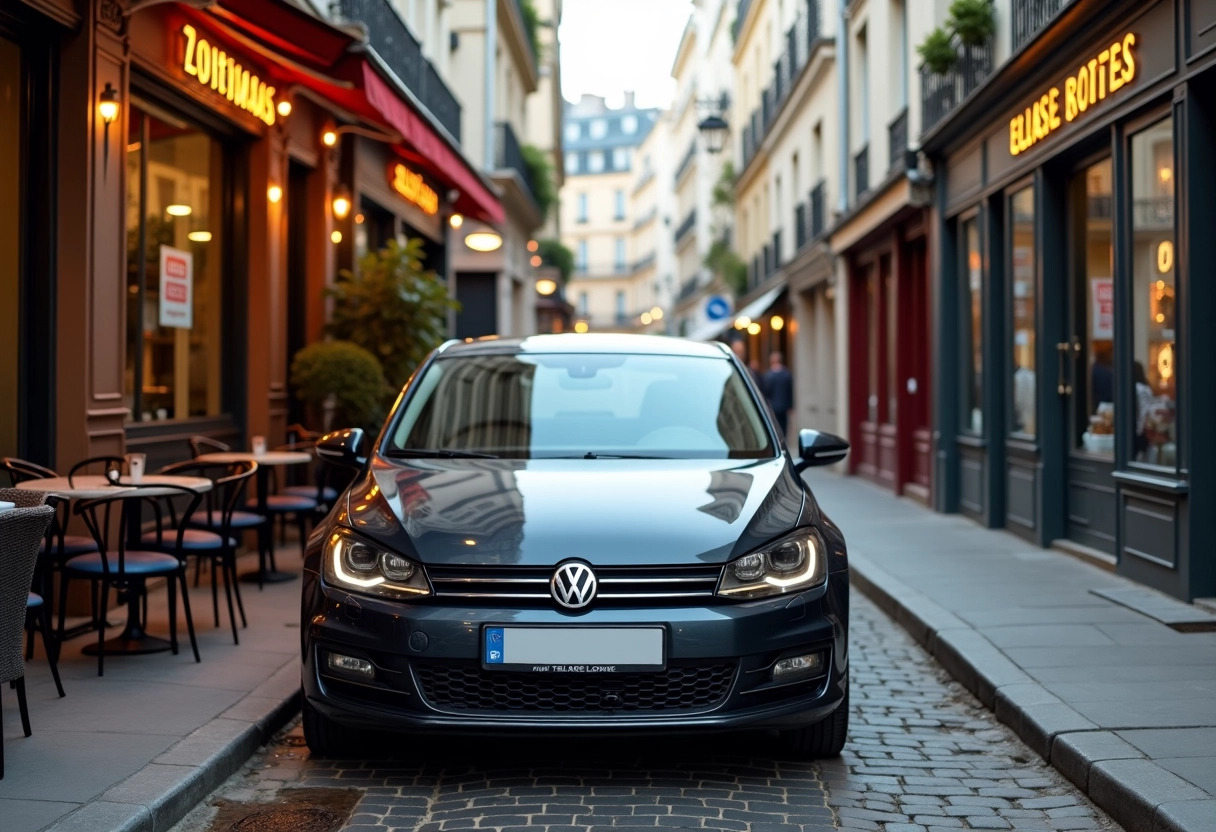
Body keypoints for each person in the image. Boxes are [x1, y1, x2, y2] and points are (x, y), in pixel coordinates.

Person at [762, 351, 794, 437]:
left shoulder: (769, 375)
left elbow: (766, 391)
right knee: (783, 427)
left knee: (775, 427)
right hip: (784, 406)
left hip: (773, 406)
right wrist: (791, 406)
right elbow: (790, 391)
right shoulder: (786, 374)